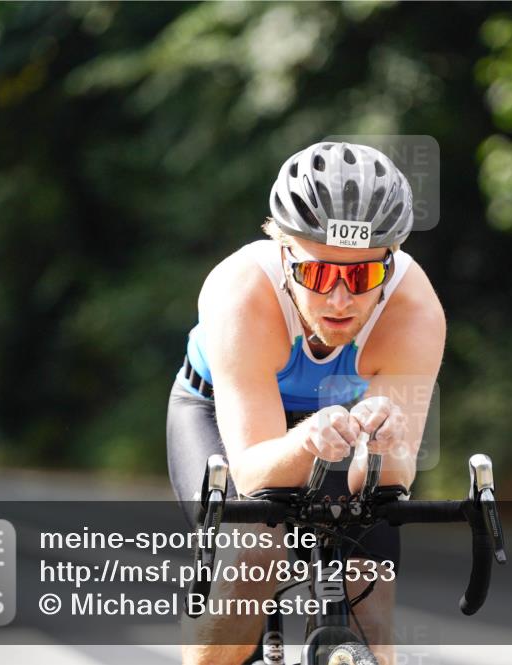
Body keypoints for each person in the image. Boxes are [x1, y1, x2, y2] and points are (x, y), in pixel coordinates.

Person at [166, 141, 446, 665]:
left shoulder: (415, 312)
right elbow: (251, 471)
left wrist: (382, 449)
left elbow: (397, 475)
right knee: (254, 553)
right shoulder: (240, 292)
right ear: (283, 249)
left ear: (390, 262)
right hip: (217, 416)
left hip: (344, 433)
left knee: (370, 593)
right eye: (318, 274)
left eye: (363, 276)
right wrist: (303, 440)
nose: (340, 300)